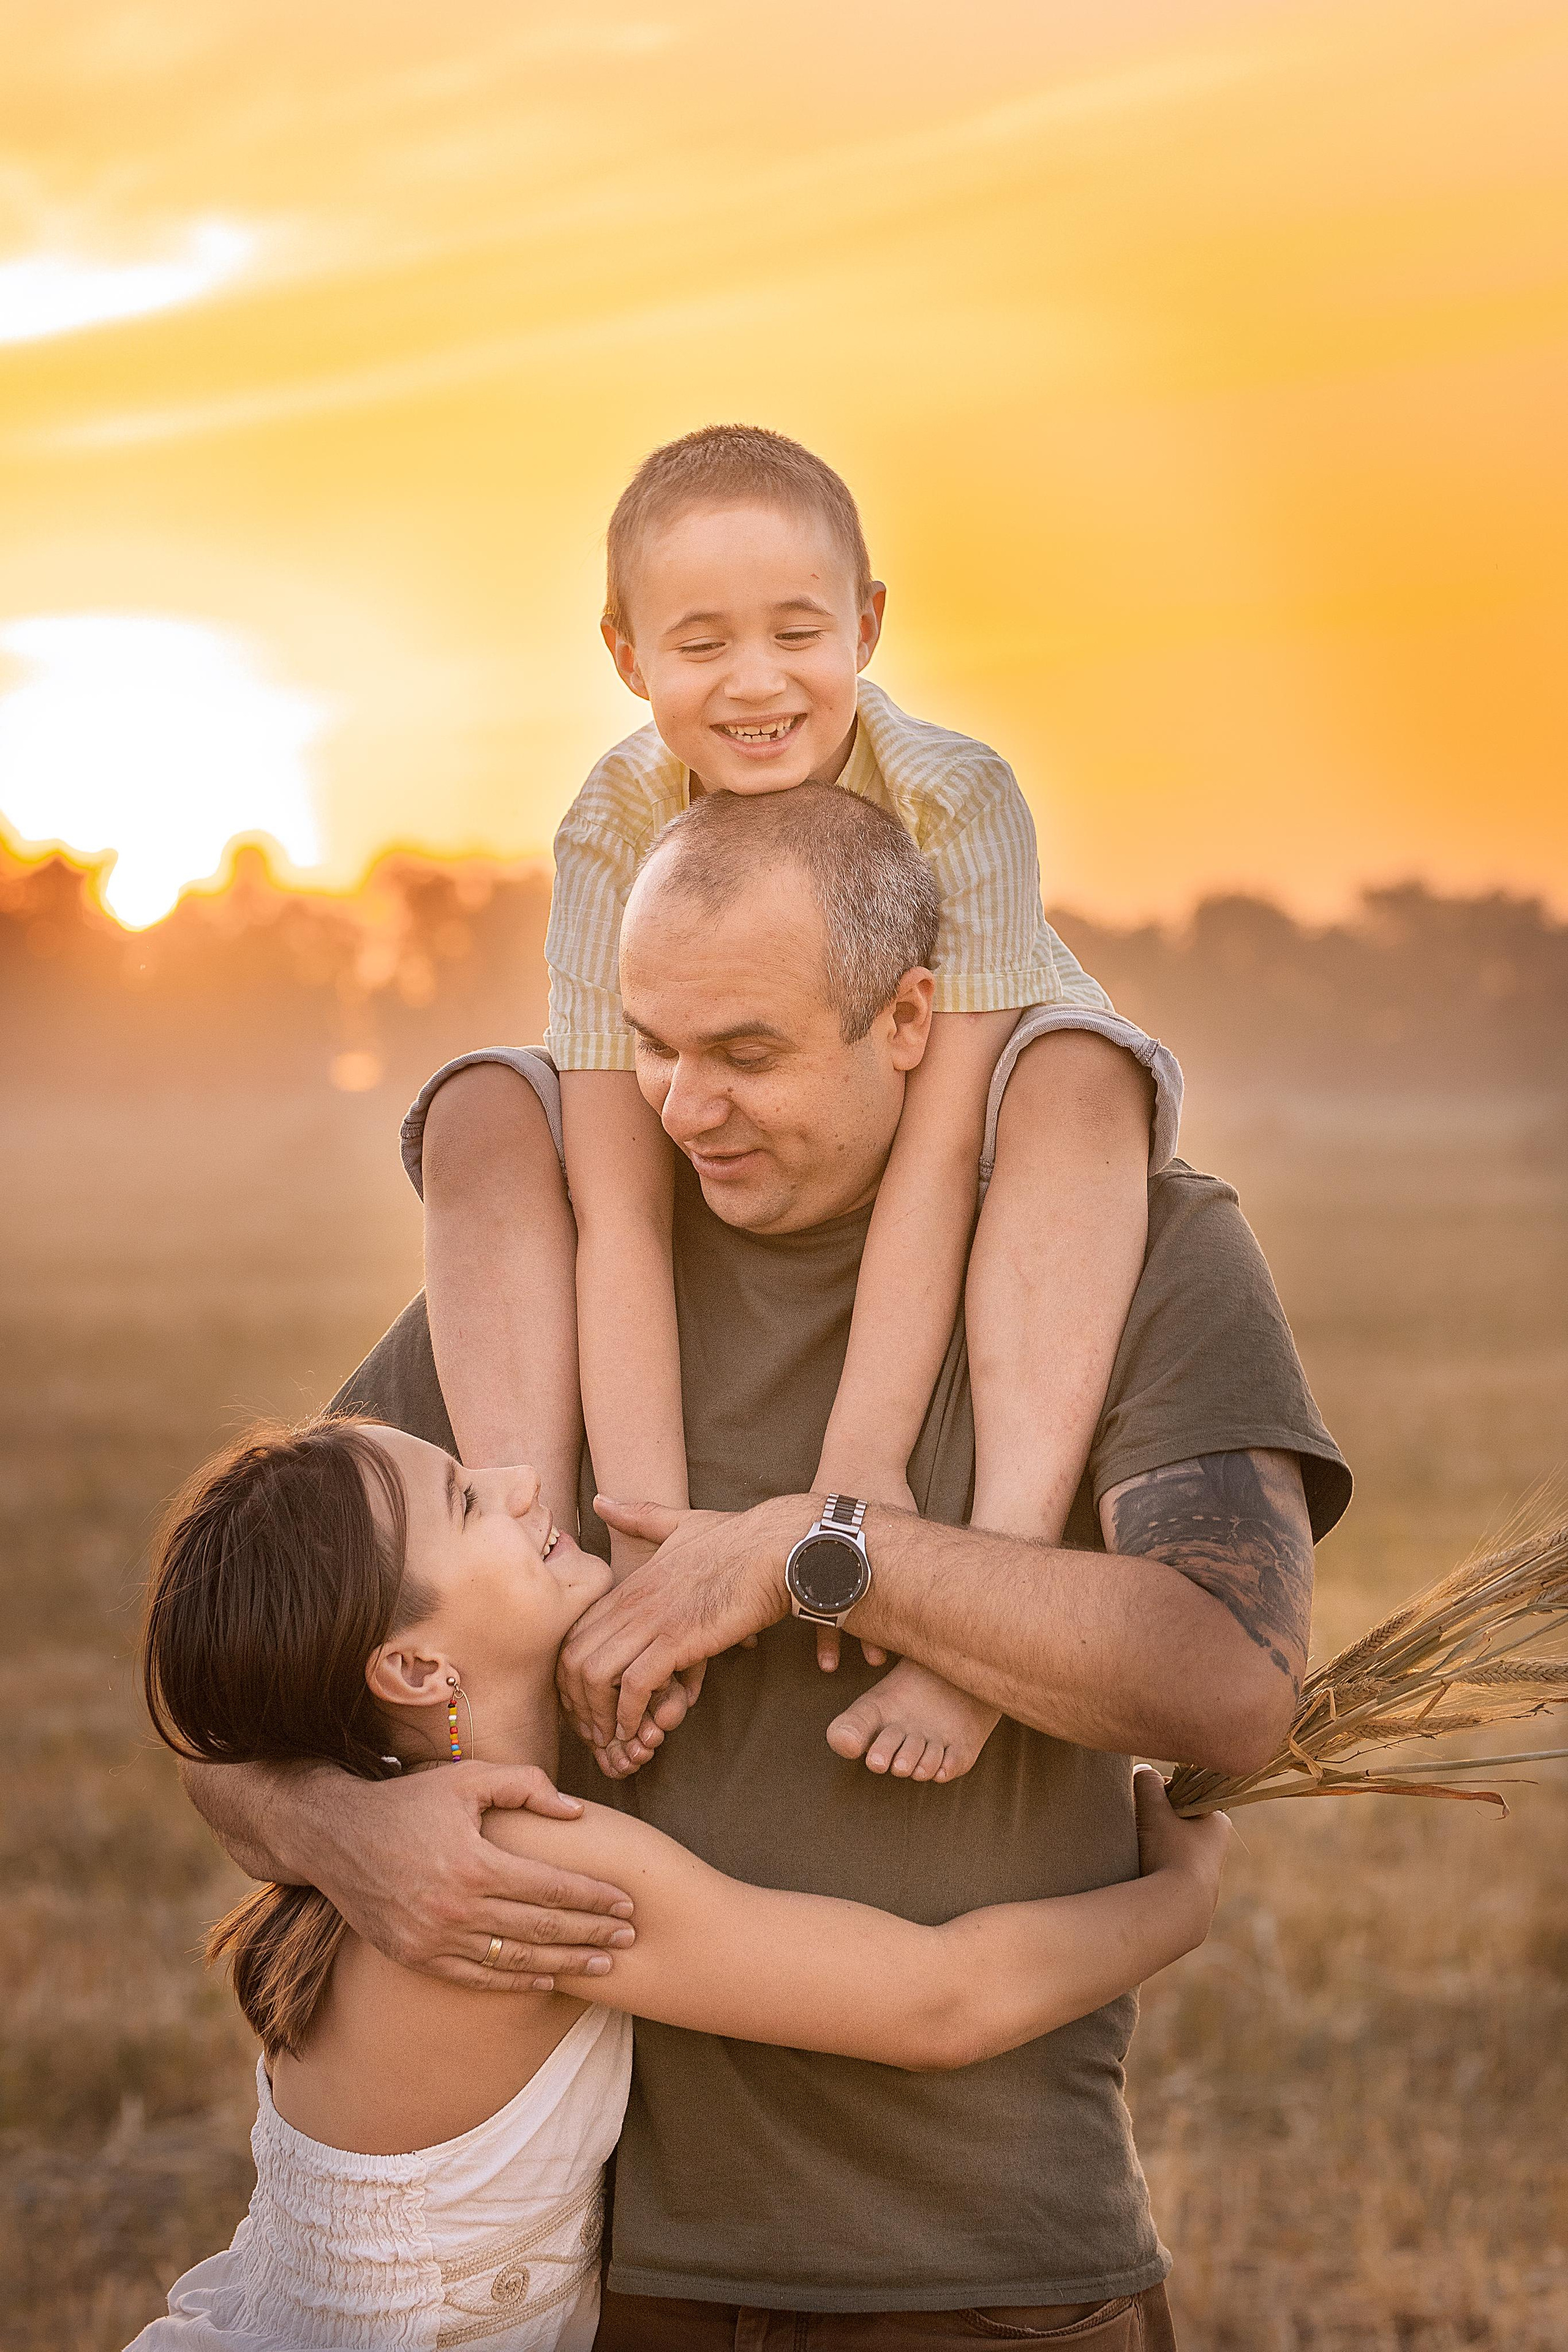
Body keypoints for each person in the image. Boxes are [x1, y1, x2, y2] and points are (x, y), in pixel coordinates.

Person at [184, 785, 1351, 2344]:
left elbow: (1222, 1685)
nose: (681, 1109)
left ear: (907, 1017)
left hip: (986, 2283)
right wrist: (343, 1829)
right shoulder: (568, 1273)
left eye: (746, 1054)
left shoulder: (1121, 1255)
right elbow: (259, 1685)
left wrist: (819, 1556)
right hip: (621, 2289)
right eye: (654, 1046)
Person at [424, 421, 1185, 1786]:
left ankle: (984, 1605)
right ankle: (533, 1609)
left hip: (973, 1097)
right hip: (740, 1121)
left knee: (1079, 1078)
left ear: (867, 623)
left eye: (796, 632)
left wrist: (854, 1479)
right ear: (624, 654)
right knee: (480, 1107)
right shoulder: (611, 828)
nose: (756, 683)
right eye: (700, 643)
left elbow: (943, 1156)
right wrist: (652, 1563)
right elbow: (618, 1204)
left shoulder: (956, 798)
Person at [130, 1416, 1226, 2352]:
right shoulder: (520, 1865)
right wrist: (1175, 1904)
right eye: (470, 1502)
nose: (522, 1480)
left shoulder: (384, 1821)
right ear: (417, 1670)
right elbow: (937, 2002)